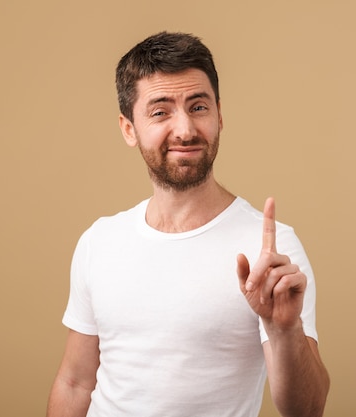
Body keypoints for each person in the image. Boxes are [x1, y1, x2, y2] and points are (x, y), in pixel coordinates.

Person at [46, 31, 330, 417]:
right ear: (129, 128)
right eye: (161, 111)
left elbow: (307, 410)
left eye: (198, 107)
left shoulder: (271, 252)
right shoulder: (100, 240)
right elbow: (75, 383)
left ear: (219, 115)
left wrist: (284, 330)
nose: (185, 129)